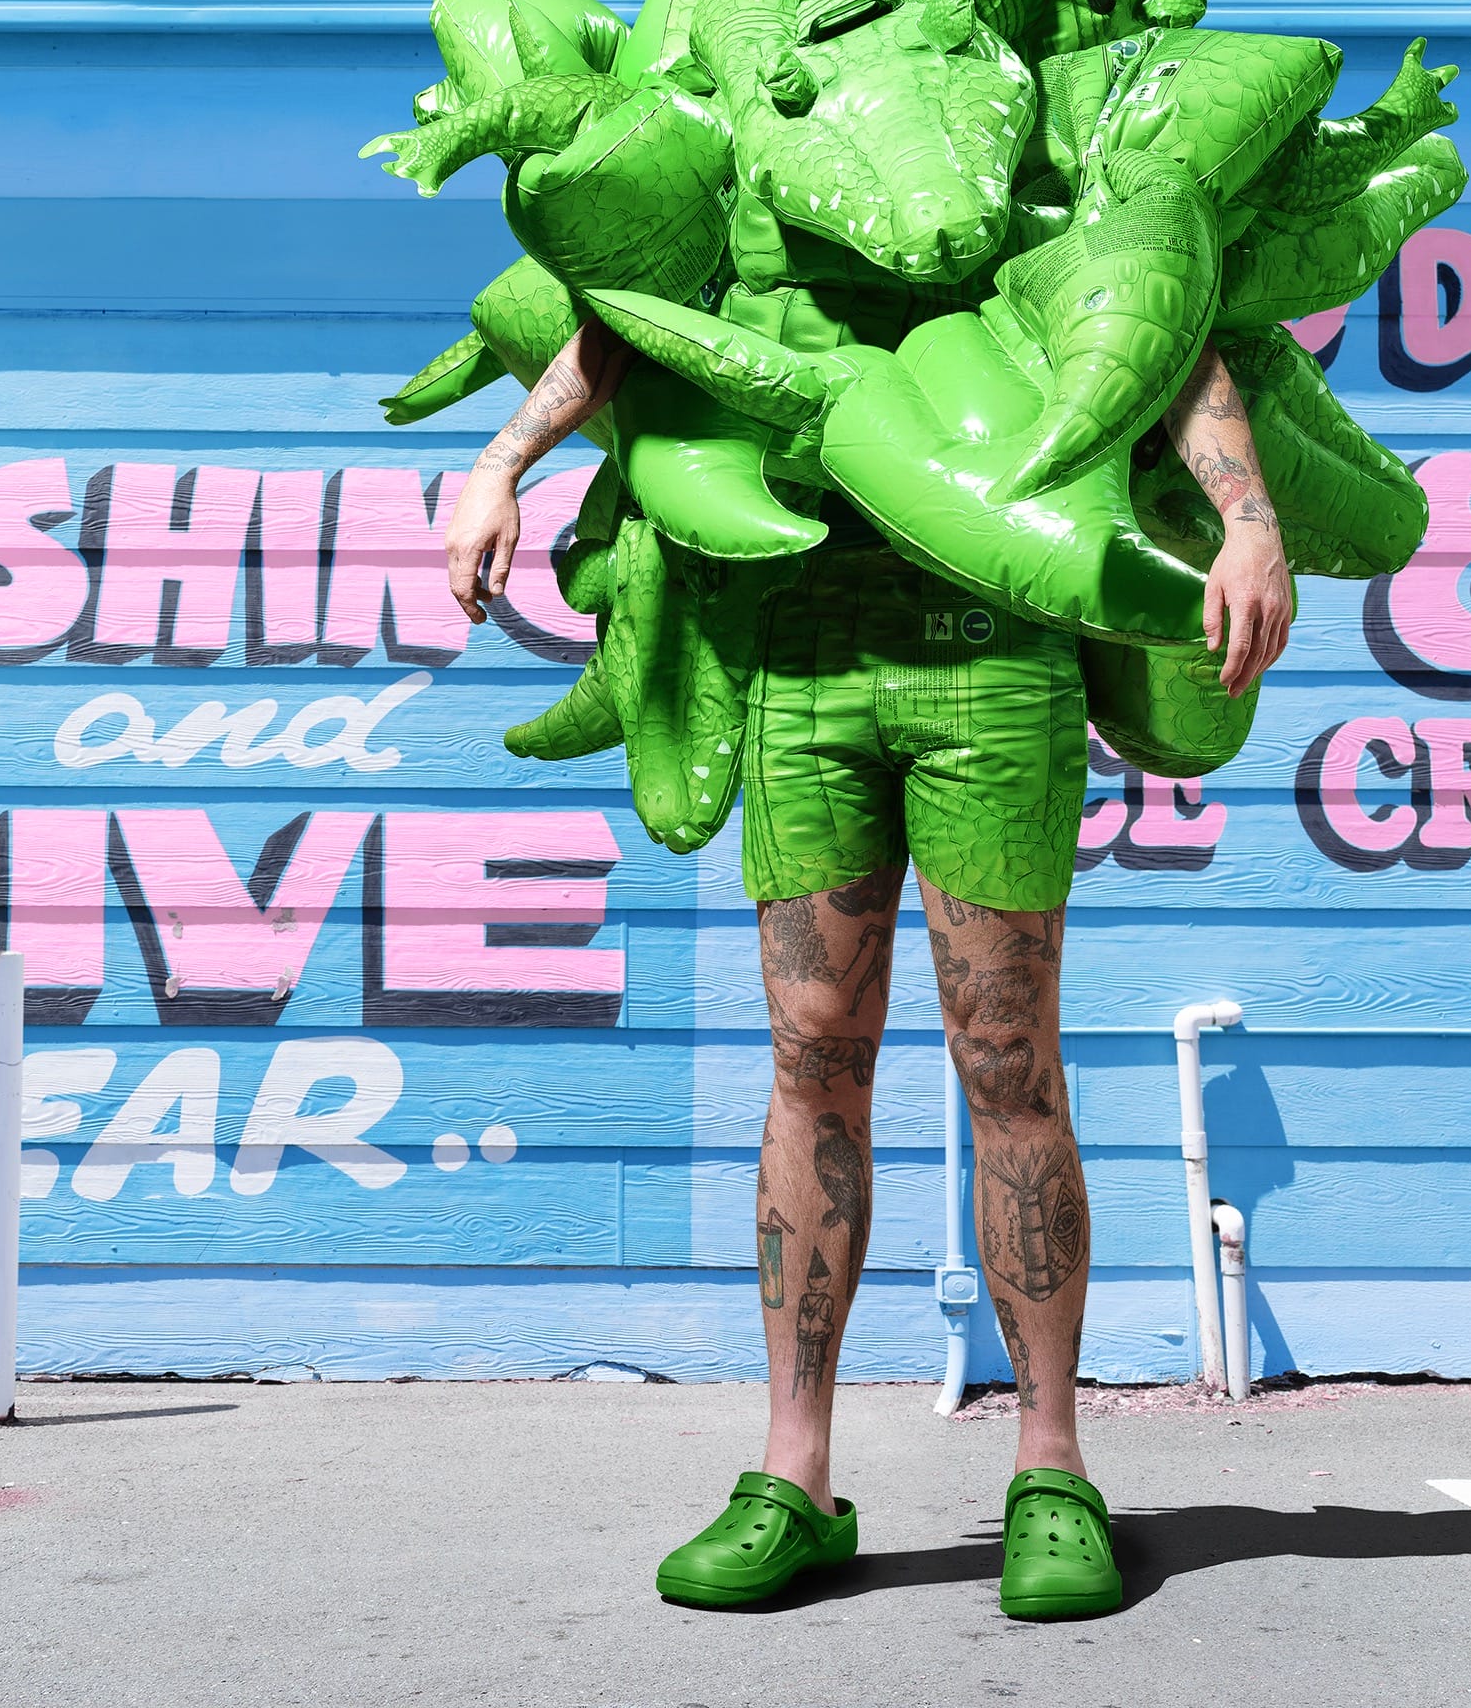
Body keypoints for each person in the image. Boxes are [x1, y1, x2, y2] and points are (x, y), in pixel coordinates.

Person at [444, 318, 1291, 1621]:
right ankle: (796, 1480)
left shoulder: (1010, 130)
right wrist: (504, 457)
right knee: (811, 1052)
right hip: (803, 660)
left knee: (1007, 1053)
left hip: (999, 652)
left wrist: (1244, 514)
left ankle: (1050, 1465)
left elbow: (1148, 316)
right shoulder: (766, 131)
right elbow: (625, 316)